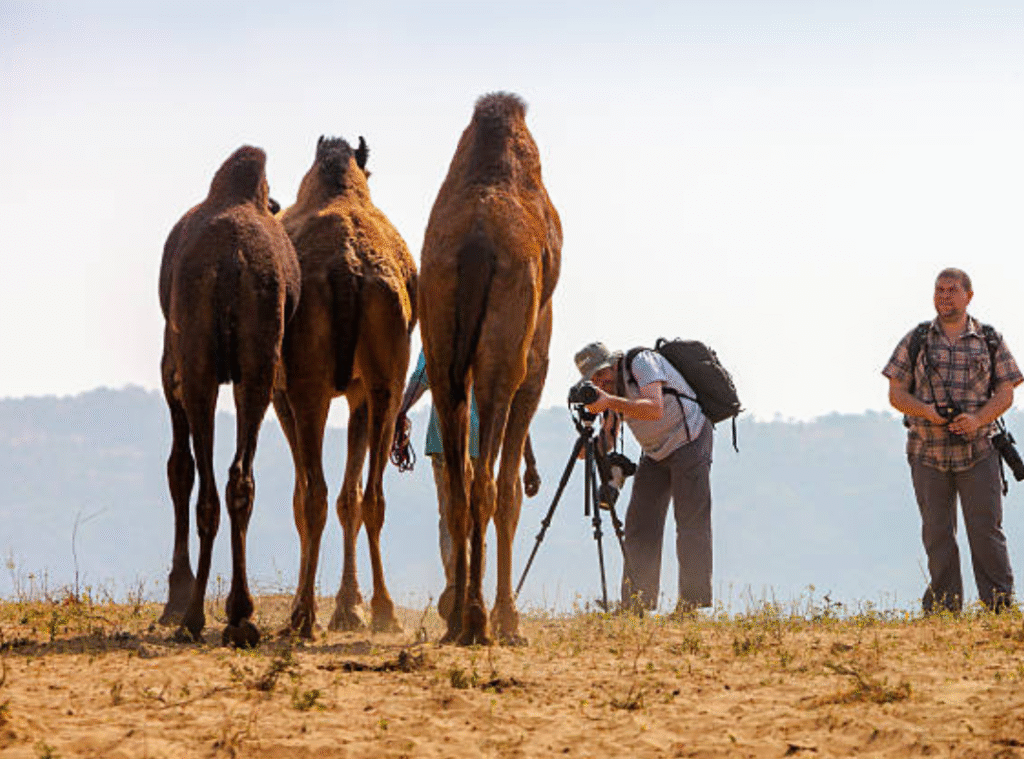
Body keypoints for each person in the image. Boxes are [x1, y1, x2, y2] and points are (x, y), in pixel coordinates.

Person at [883, 268, 1022, 612]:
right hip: (927, 451)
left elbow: (1006, 392)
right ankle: (944, 609)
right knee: (937, 533)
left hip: (979, 450)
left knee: (986, 532)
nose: (944, 296)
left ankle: (999, 606)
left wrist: (977, 419)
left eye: (951, 290)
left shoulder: (989, 339)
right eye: (939, 290)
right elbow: (896, 393)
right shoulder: (916, 339)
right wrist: (926, 412)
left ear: (968, 296)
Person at [393, 349, 541, 619]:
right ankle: (472, 588)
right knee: (477, 522)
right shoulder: (497, 339)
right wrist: (529, 461)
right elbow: (512, 401)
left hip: (446, 437)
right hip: (484, 442)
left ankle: (455, 584)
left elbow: (421, 379)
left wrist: (400, 412)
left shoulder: (440, 332)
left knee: (451, 515)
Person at [574, 341, 713, 614]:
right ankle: (635, 603)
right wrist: (586, 445)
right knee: (640, 523)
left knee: (690, 522)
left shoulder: (641, 362)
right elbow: (608, 438)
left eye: (602, 373)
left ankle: (691, 605)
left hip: (689, 438)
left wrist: (608, 401)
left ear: (613, 364)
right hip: (655, 452)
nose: (600, 381)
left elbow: (653, 408)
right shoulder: (610, 394)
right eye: (593, 379)